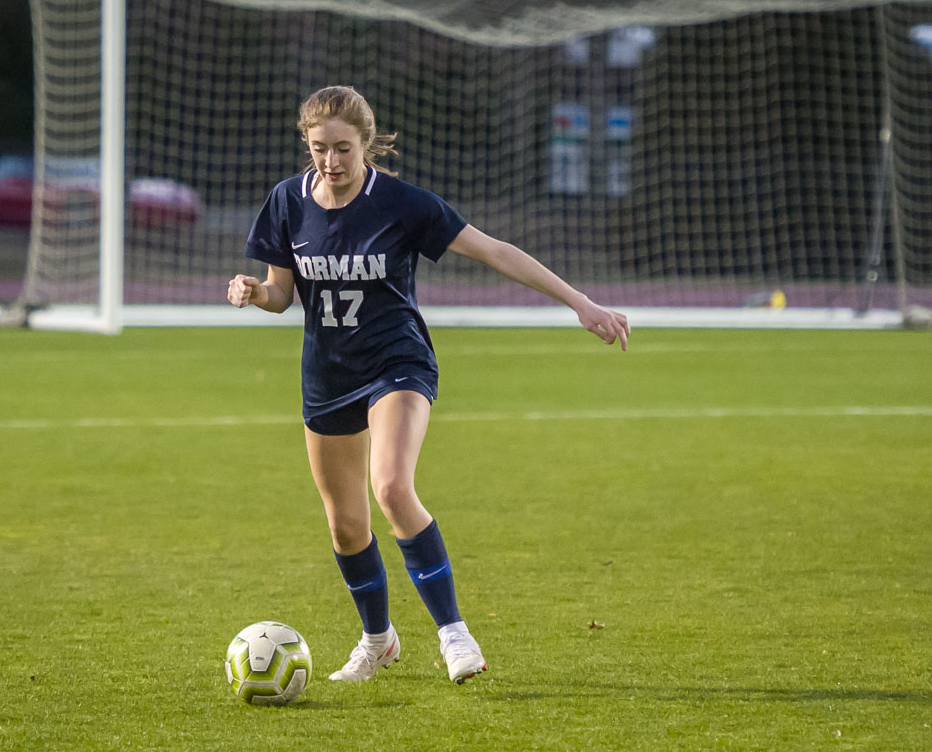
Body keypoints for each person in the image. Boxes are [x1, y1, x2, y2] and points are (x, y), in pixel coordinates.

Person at [227, 85, 630, 685]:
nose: (331, 162)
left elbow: (494, 251)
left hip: (397, 362)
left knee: (391, 486)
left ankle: (454, 634)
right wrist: (257, 293)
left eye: (342, 148)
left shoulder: (401, 203)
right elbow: (283, 293)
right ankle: (377, 641)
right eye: (319, 149)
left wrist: (579, 301)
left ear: (367, 143)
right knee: (345, 524)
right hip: (328, 373)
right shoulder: (287, 202)